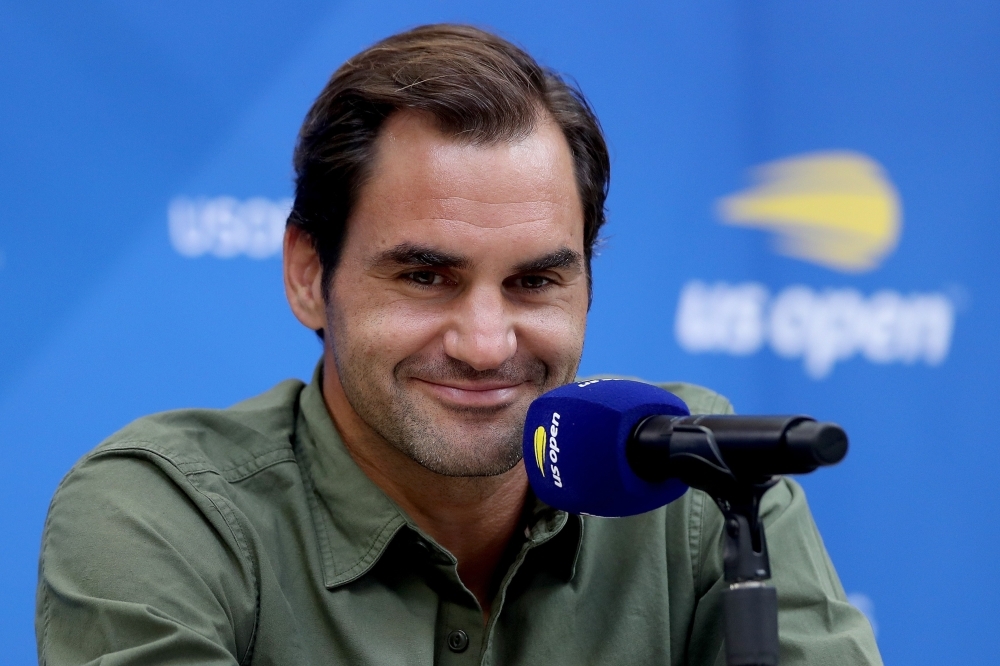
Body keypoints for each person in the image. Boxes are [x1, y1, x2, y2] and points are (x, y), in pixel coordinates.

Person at [36, 24, 882, 665]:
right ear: (307, 274)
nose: (485, 345)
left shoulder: (695, 472)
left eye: (534, 282)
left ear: (587, 281)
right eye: (426, 278)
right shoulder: (166, 514)